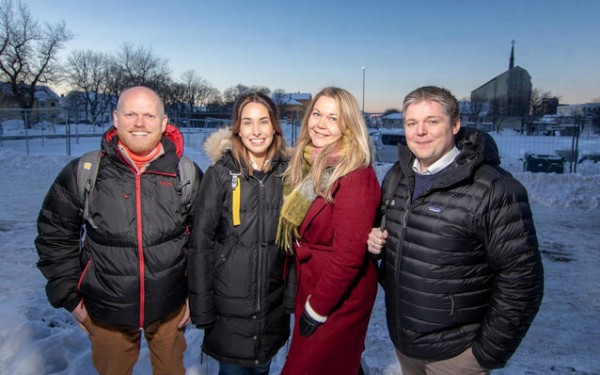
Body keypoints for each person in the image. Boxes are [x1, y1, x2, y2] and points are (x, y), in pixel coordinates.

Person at [367, 86, 544, 375]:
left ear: (455, 124)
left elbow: (523, 281)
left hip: (457, 356)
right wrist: (374, 241)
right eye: (412, 123)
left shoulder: (494, 188)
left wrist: (484, 354)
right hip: (405, 344)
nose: (420, 131)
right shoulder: (397, 176)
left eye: (432, 121)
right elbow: (390, 235)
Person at [35, 86, 202, 375]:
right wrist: (70, 297)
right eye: (131, 114)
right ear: (116, 118)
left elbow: (205, 240)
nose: (140, 123)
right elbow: (55, 234)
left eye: (149, 115)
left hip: (170, 306)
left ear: (163, 122)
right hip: (106, 309)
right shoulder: (86, 170)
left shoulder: (186, 173)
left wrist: (196, 295)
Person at [188, 92, 295, 375]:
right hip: (228, 307)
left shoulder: (288, 174)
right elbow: (201, 242)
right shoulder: (221, 173)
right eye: (248, 122)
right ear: (237, 127)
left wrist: (291, 296)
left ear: (275, 126)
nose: (256, 131)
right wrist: (201, 306)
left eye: (263, 121)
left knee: (262, 368)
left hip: (271, 307)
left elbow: (295, 240)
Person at [277, 87, 381, 375]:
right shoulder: (311, 163)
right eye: (317, 114)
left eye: (333, 118)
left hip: (338, 295)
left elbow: (349, 256)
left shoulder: (355, 175)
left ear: (348, 125)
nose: (320, 124)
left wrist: (318, 307)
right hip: (312, 284)